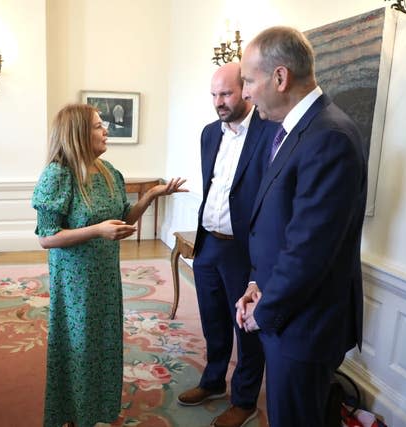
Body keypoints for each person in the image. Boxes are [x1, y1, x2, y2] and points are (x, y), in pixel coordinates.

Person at [236, 27, 367, 427]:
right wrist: (257, 283)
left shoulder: (330, 136)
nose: (245, 93)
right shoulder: (296, 130)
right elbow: (280, 227)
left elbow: (310, 250)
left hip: (304, 325)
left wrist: (266, 310)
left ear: (280, 77)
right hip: (285, 309)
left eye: (248, 81)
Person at [31, 103, 186, 427]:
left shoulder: (107, 171)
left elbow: (124, 218)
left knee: (104, 342)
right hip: (75, 281)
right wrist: (97, 231)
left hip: (105, 276)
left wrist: (150, 196)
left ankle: (97, 408)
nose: (106, 131)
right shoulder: (58, 175)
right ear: (78, 134)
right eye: (98, 126)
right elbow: (46, 237)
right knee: (79, 344)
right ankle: (72, 412)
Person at [176, 62, 276, 427]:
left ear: (245, 90)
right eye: (214, 94)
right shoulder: (209, 133)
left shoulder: (269, 133)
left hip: (243, 249)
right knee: (213, 319)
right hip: (208, 244)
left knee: (246, 327)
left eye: (227, 93)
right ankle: (213, 381)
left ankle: (245, 399)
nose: (219, 101)